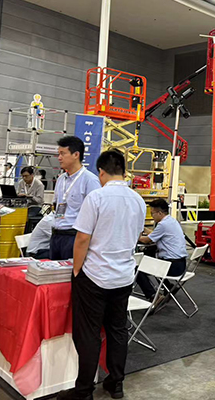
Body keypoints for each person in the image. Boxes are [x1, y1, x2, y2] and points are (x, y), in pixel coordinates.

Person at [57, 150, 146, 400]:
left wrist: (76, 270)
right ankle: (115, 383)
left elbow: (82, 238)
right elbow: (137, 235)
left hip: (94, 276)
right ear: (124, 172)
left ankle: (84, 391)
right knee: (118, 330)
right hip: (124, 276)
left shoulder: (97, 197)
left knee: (88, 333)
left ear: (101, 172)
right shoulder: (138, 200)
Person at [50, 136, 100, 260]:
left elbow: (96, 213)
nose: (59, 158)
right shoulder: (61, 179)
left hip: (74, 237)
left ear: (76, 155)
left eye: (63, 154)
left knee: (71, 271)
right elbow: (56, 204)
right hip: (56, 235)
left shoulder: (90, 180)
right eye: (58, 154)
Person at [137, 198, 188, 302]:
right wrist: (144, 228)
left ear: (159, 213)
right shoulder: (171, 221)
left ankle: (153, 296)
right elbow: (155, 234)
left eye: (152, 213)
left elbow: (146, 240)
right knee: (153, 260)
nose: (152, 216)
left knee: (138, 269)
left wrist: (134, 234)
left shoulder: (163, 225)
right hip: (181, 264)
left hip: (172, 266)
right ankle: (169, 287)